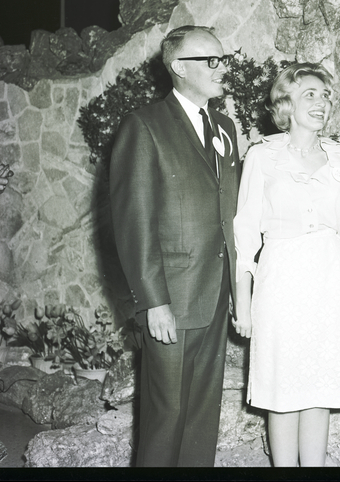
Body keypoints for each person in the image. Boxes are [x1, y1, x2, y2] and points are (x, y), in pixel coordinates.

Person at [109, 25, 241, 467]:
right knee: (166, 416)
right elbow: (135, 222)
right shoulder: (144, 126)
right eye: (211, 60)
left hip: (215, 293)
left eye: (223, 59)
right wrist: (153, 301)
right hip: (172, 298)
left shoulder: (224, 127)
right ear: (179, 67)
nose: (222, 68)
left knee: (202, 417)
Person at [233, 63, 340, 467]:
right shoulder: (262, 157)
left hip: (331, 284)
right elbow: (245, 234)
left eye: (325, 96)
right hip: (280, 281)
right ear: (285, 102)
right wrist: (243, 304)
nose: (321, 102)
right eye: (310, 94)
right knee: (283, 391)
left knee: (319, 391)